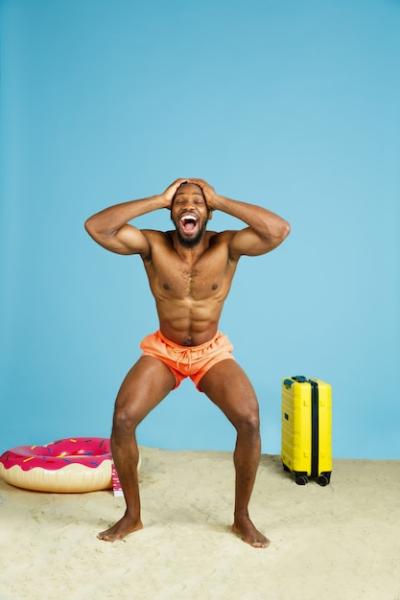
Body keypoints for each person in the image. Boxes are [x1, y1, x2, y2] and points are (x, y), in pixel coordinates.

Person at [84, 177, 291, 548]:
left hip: (210, 351)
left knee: (249, 418)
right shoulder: (152, 245)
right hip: (165, 350)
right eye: (180, 202)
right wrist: (158, 198)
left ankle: (241, 517)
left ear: (207, 212)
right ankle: (132, 516)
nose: (188, 205)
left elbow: (278, 231)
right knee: (123, 417)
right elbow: (96, 227)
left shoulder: (226, 246)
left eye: (197, 201)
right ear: (172, 212)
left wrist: (220, 199)